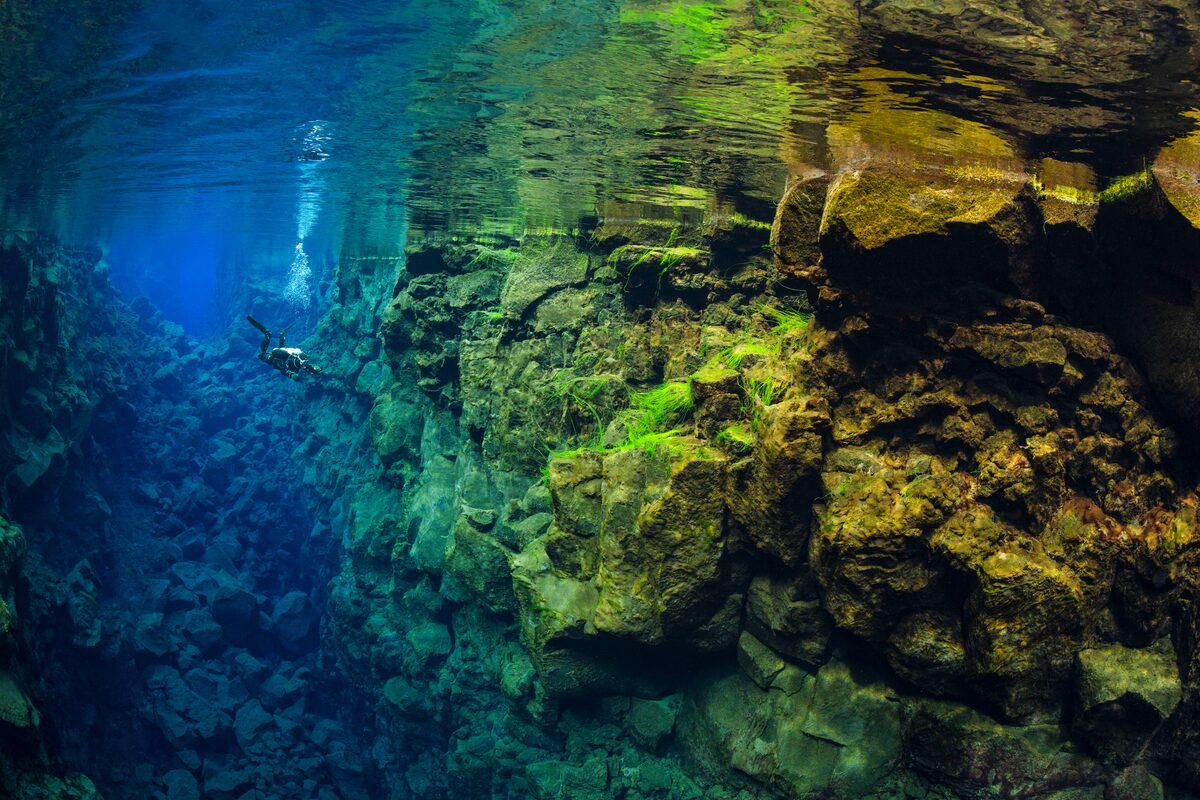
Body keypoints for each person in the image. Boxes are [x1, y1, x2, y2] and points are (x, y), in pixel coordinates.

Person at [246, 316, 322, 379]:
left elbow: (306, 367)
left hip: (280, 356)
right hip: (274, 358)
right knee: (261, 355)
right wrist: (291, 375)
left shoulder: (296, 361)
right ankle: (269, 334)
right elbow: (281, 366)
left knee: (279, 352)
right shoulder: (292, 362)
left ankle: (273, 335)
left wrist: (314, 370)